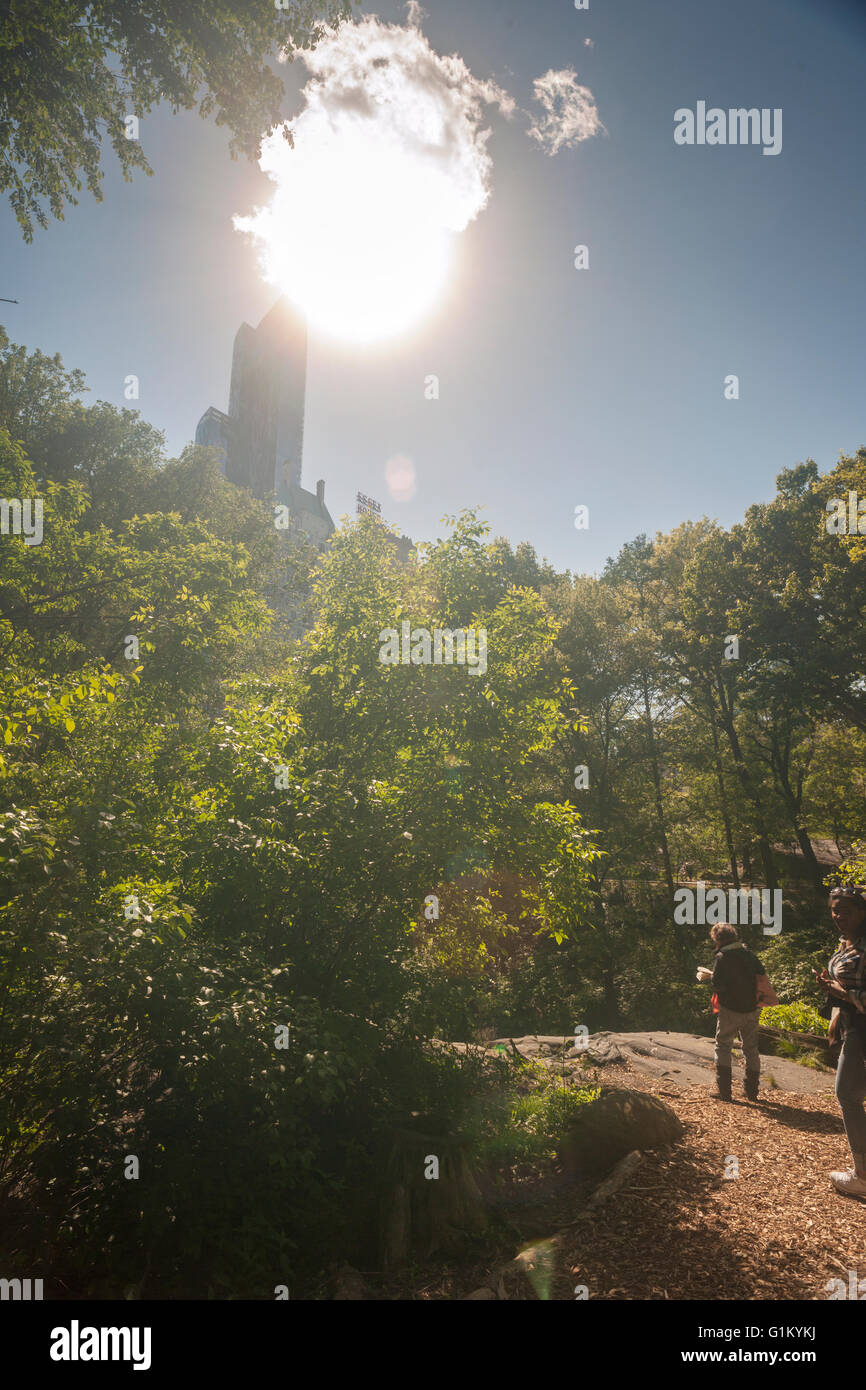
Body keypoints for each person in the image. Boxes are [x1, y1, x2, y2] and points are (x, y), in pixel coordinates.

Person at [816, 886, 866, 1198]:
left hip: (862, 1032)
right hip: (853, 1029)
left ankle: (862, 1176)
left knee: (846, 1093)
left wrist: (844, 994)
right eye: (835, 910)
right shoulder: (847, 943)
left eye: (845, 911)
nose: (838, 917)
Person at [697, 922, 764, 1101]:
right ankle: (752, 1092)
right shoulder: (749, 954)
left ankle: (724, 1092)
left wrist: (711, 977)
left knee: (723, 1046)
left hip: (731, 1009)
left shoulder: (723, 956)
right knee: (751, 1049)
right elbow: (761, 975)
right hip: (752, 1008)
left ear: (718, 939)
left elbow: (718, 983)